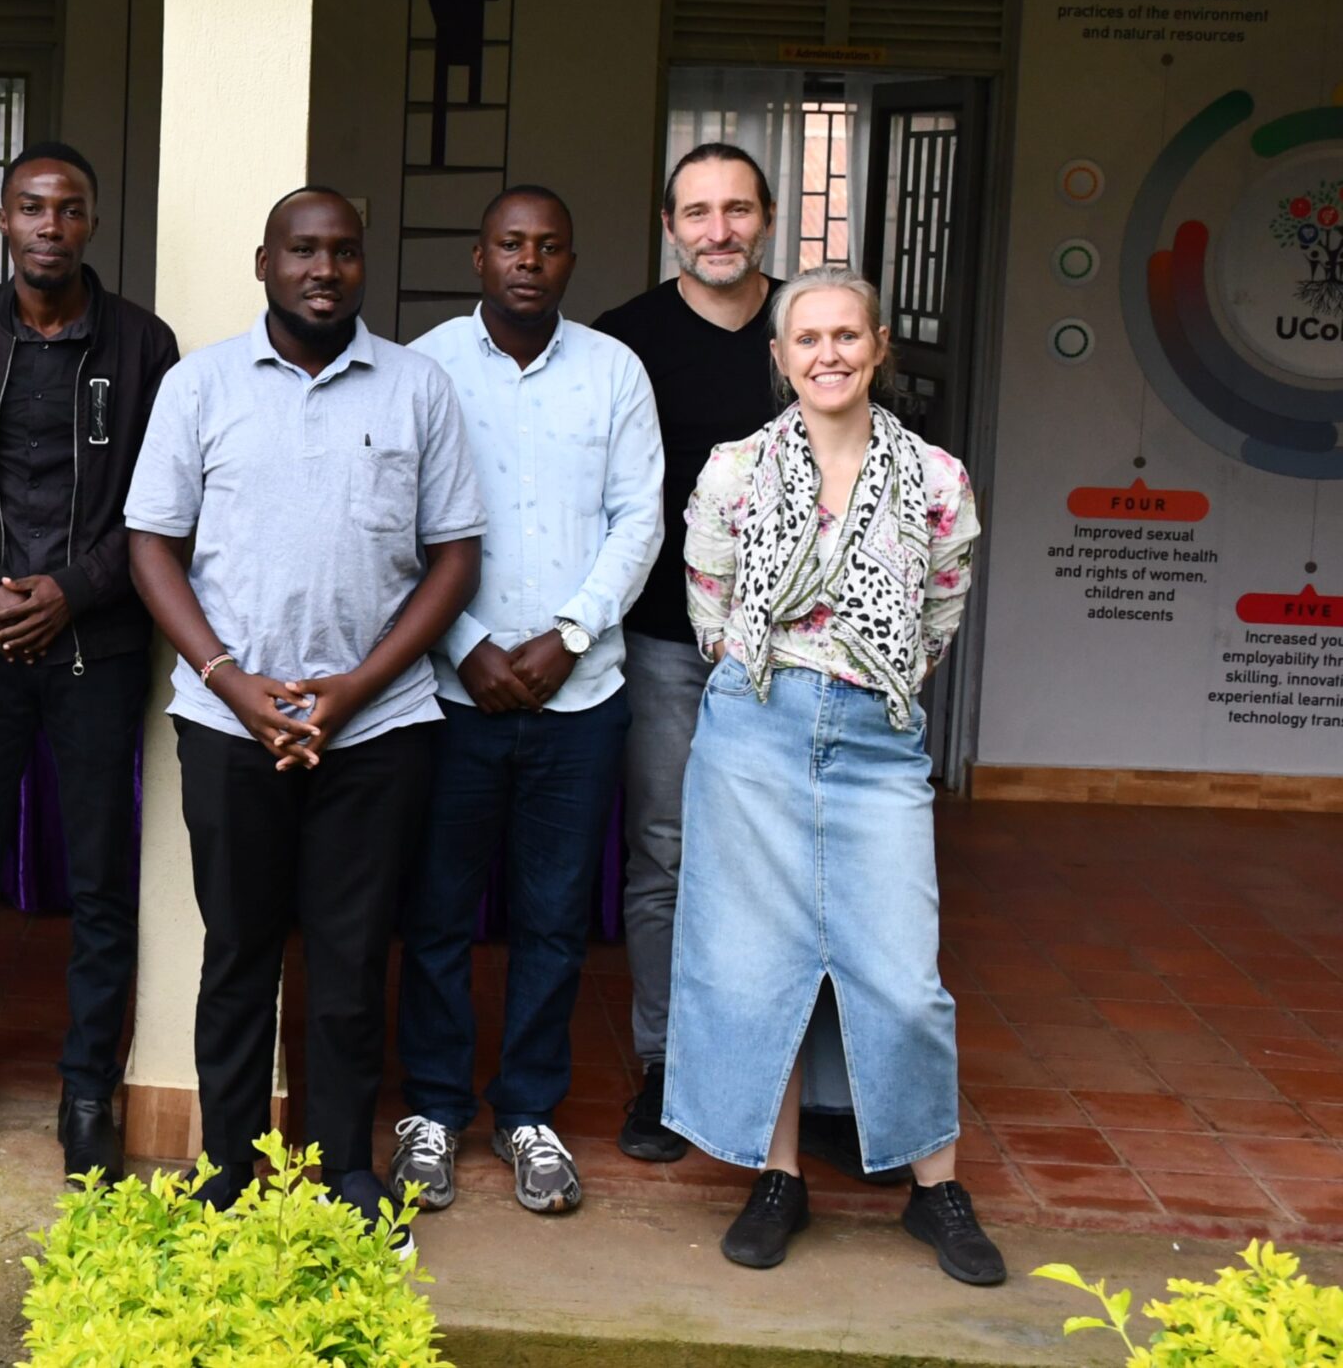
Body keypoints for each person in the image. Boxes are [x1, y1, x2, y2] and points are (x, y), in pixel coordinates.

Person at [125, 188, 484, 1242]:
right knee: (237, 953)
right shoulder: (198, 386)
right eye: (301, 250)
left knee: (349, 959)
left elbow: (455, 558)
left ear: (362, 264)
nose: (323, 269)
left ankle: (345, 1173)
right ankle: (228, 1169)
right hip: (228, 721)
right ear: (264, 262)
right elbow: (151, 543)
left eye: (342, 251)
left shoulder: (418, 387)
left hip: (376, 727)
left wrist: (354, 688)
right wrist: (232, 681)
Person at [665, 266, 1001, 1285]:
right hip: (753, 734)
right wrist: (778, 682)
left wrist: (860, 684)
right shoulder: (734, 471)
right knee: (751, 964)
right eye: (806, 338)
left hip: (876, 739)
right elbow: (711, 605)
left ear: (879, 346)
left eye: (846, 336)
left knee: (902, 978)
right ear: (780, 357)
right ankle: (779, 1178)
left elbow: (940, 611)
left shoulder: (936, 479)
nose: (827, 354)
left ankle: (935, 1188)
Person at [0, 142, 182, 1185]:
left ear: (90, 222)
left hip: (97, 639)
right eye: (31, 208)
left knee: (100, 877)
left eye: (69, 208)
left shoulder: (142, 343)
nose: (50, 226)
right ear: (2, 222)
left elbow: (160, 499)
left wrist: (69, 591)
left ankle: (87, 1091)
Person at [389, 187, 663, 1218]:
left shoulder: (614, 370)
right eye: (511, 243)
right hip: (448, 694)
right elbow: (398, 524)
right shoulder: (423, 369)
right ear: (479, 256)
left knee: (553, 918)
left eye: (549, 245)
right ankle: (431, 1108)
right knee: (436, 914)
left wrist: (571, 635)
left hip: (579, 696)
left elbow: (638, 518)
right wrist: (465, 645)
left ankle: (528, 1112)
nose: (529, 260)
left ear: (569, 262)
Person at [591, 141, 780, 1164]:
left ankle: (775, 1072)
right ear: (669, 227)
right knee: (665, 853)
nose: (719, 230)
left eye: (737, 209)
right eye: (698, 212)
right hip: (662, 640)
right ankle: (666, 1066)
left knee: (781, 862)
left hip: (791, 650)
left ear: (767, 219)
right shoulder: (624, 340)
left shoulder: (805, 328)